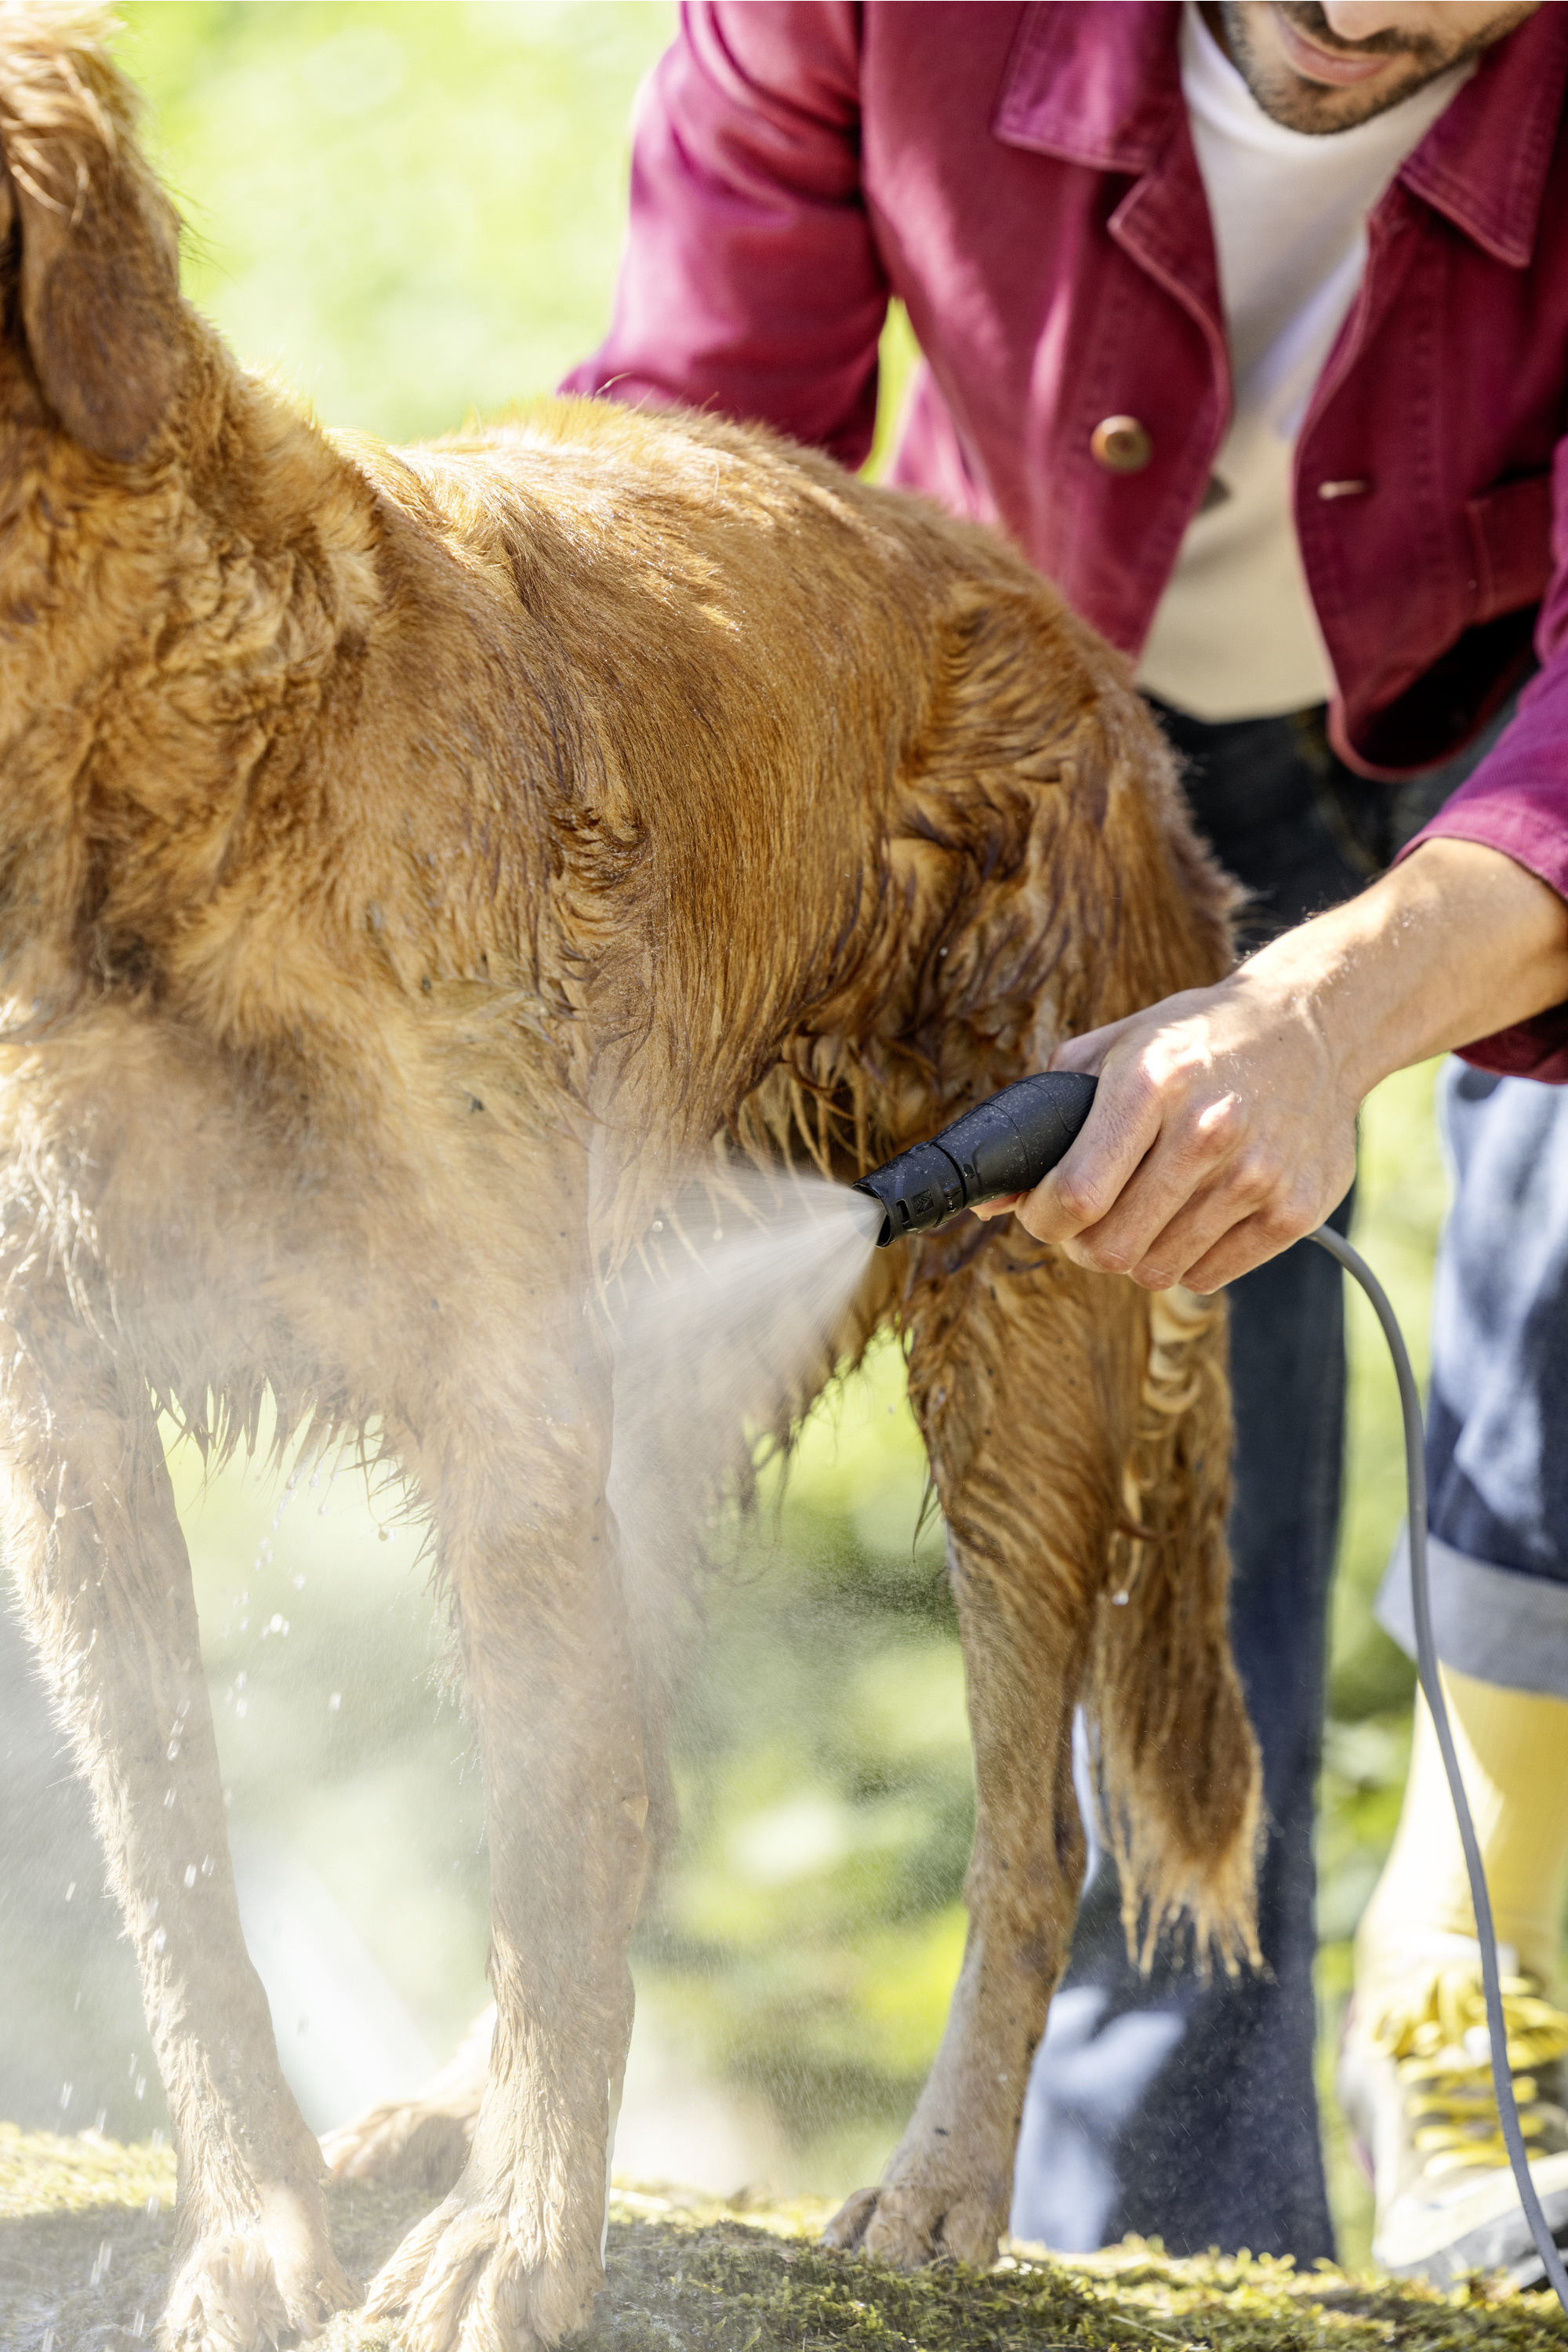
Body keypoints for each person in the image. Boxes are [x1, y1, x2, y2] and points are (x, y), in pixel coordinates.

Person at [565, 0, 1568, 2274]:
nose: (1367, 17)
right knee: (1134, 1498)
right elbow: (687, 500)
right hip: (1059, 723)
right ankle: (1173, 2252)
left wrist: (1327, 1009)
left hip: (1522, 716)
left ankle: (1495, 1954)